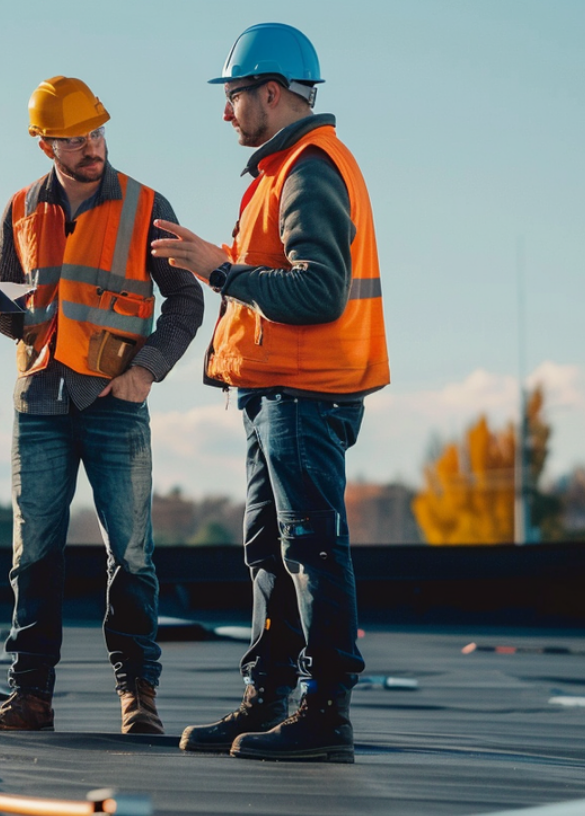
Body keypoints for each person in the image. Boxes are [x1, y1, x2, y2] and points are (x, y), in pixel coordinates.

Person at [150, 23, 389, 763]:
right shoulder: (284, 167)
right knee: (272, 551)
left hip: (304, 394)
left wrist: (217, 270)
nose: (227, 112)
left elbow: (317, 293)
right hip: (275, 395)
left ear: (271, 92)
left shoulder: (310, 170)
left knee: (310, 547)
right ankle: (268, 700)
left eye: (234, 96)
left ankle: (324, 715)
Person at [0, 76, 203, 735]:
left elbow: (187, 300)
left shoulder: (147, 205)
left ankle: (138, 698)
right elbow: (18, 314)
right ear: (46, 145)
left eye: (96, 133)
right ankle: (30, 697)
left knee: (131, 553)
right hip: (39, 400)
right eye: (74, 139)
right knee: (33, 552)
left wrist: (147, 371)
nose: (91, 147)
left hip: (115, 401)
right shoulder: (18, 210)